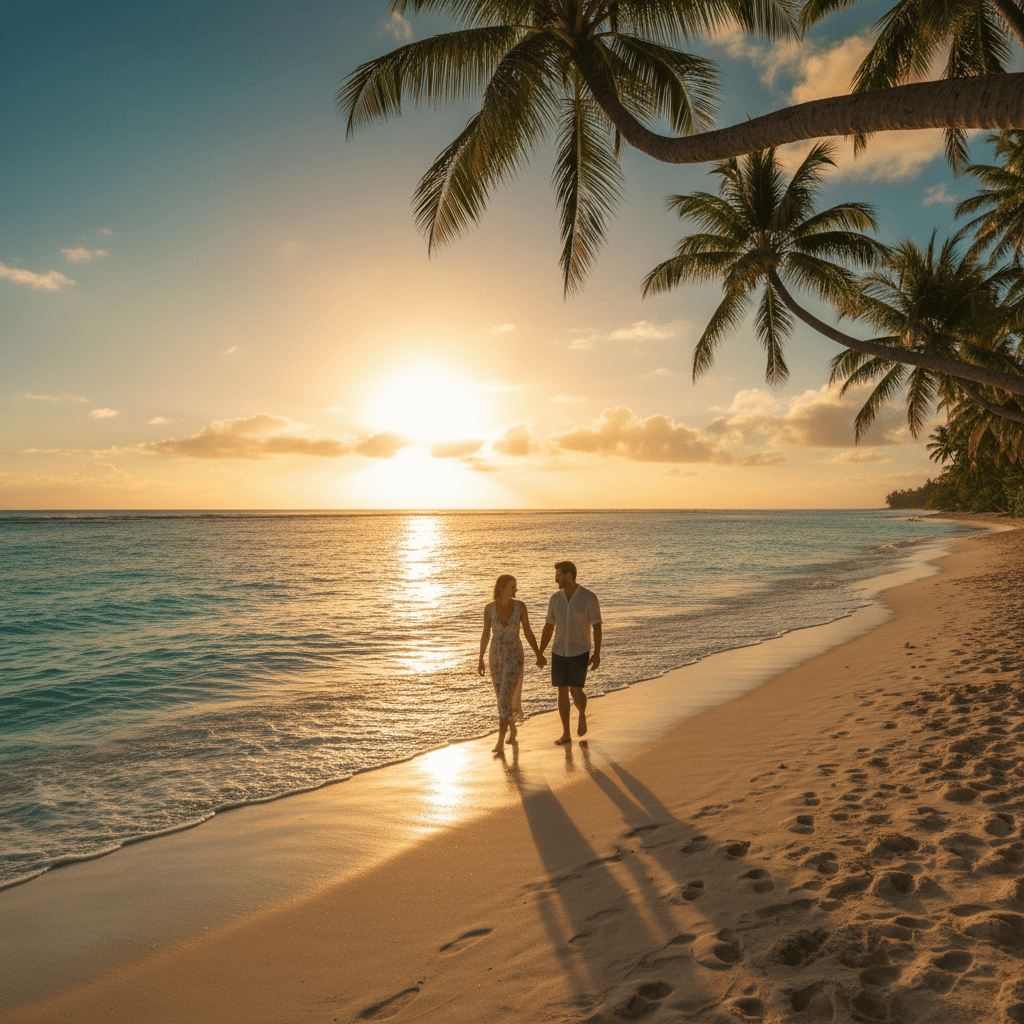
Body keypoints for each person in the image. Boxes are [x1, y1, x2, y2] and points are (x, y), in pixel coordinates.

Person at [478, 574, 545, 755]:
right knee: (501, 695)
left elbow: (528, 632)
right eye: (513, 587)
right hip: (495, 657)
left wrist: (538, 654)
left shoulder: (520, 607)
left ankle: (500, 742)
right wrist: (480, 658)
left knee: (503, 699)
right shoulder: (489, 608)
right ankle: (512, 729)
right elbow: (485, 634)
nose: (516, 590)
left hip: (514, 656)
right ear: (502, 588)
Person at [537, 561, 602, 745]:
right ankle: (566, 733)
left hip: (579, 650)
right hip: (558, 650)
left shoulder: (589, 597)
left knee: (575, 690)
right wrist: (540, 652)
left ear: (567, 575)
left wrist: (597, 653)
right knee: (562, 691)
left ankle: (581, 712)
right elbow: (548, 626)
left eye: (558, 575)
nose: (555, 579)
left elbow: (597, 626)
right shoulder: (554, 598)